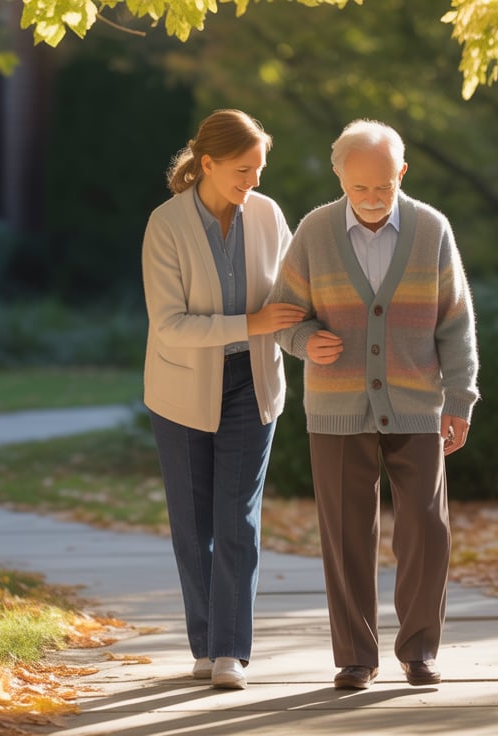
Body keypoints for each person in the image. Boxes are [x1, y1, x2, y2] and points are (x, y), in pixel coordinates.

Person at [268, 119, 479, 690]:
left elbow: (456, 323)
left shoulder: (432, 229)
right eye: (359, 187)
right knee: (344, 532)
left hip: (418, 403)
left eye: (383, 187)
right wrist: (304, 341)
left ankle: (419, 650)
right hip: (336, 408)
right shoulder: (313, 232)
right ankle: (356, 657)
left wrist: (459, 398)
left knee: (426, 527)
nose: (371, 199)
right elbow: (284, 314)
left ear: (401, 173)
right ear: (339, 175)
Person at [142, 109, 306, 690]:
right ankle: (205, 641)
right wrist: (252, 322)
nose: (254, 181)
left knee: (237, 517)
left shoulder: (268, 216)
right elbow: (170, 326)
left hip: (253, 384)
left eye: (260, 168)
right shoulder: (165, 225)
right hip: (181, 388)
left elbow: (289, 304)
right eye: (243, 169)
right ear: (206, 164)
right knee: (193, 523)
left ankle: (231, 650)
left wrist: (311, 339)